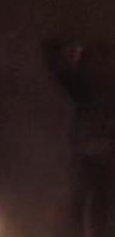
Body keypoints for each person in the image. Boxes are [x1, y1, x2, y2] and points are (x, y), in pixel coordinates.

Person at [44, 40, 115, 237]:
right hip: (94, 154)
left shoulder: (89, 86)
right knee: (90, 208)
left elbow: (56, 66)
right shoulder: (89, 86)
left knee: (90, 208)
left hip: (95, 154)